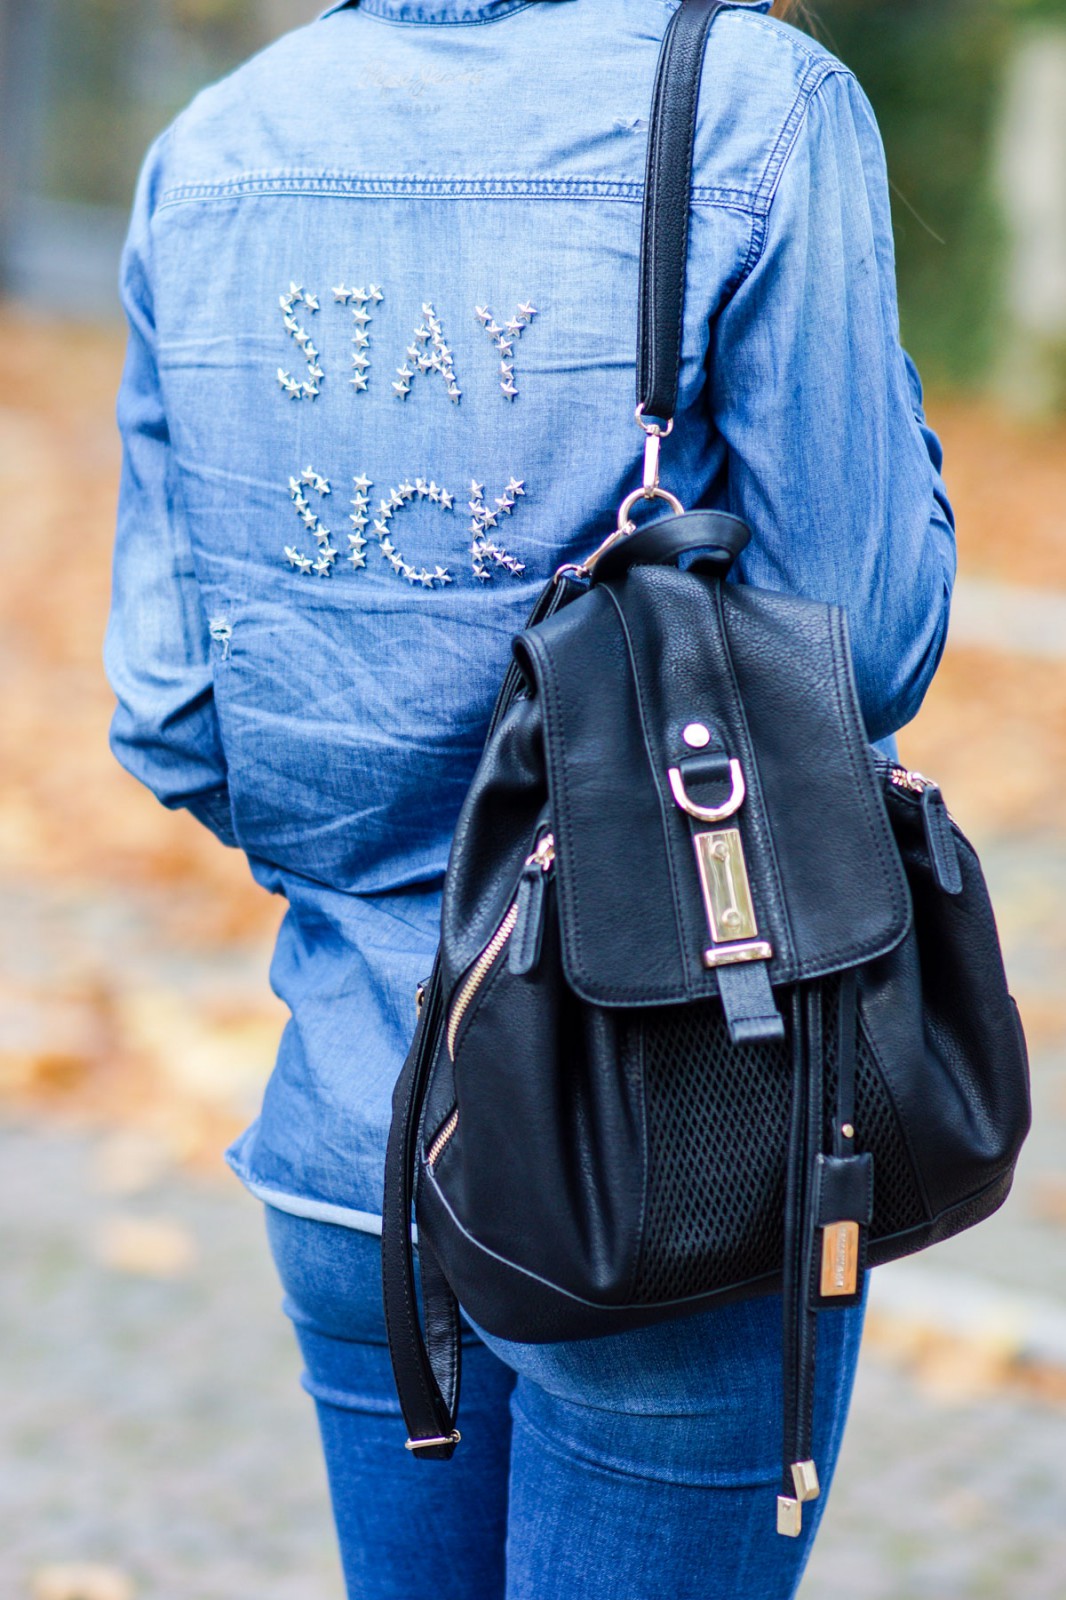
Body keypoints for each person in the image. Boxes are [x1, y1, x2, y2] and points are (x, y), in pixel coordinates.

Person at [105, 1, 956, 1596]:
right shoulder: (752, 104)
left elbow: (173, 715)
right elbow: (867, 642)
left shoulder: (213, 143)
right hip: (675, 1138)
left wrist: (402, 852)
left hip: (353, 1128)